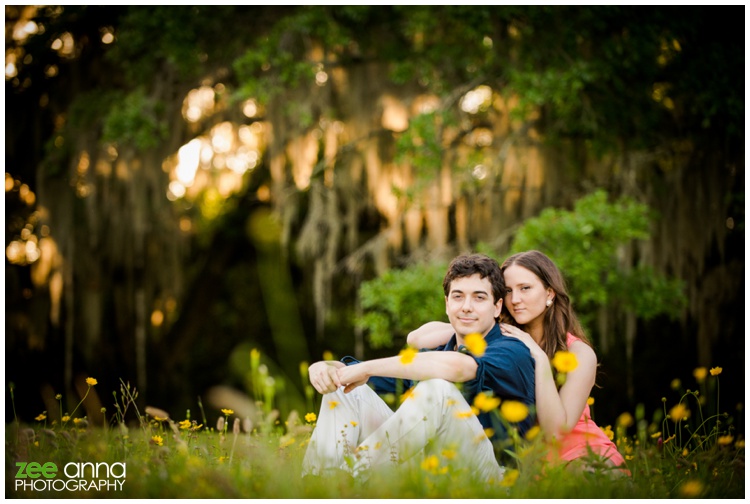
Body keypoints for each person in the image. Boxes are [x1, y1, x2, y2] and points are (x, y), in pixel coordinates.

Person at [301, 254, 536, 482]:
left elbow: (459, 368)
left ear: (497, 307)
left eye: (479, 298)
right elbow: (355, 373)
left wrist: (366, 368)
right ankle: (322, 485)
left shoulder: (511, 350)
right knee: (346, 390)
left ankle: (350, 480)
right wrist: (325, 367)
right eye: (458, 296)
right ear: (447, 304)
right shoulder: (437, 353)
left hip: (496, 480)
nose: (466, 307)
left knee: (438, 389)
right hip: (429, 470)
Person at [407, 250, 627, 471]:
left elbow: (557, 432)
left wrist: (539, 358)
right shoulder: (501, 335)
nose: (515, 299)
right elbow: (415, 339)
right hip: (526, 460)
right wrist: (471, 321)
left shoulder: (578, 353)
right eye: (509, 291)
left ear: (550, 293)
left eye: (525, 288)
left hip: (577, 452)